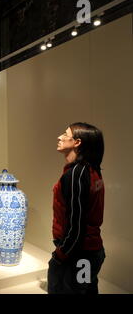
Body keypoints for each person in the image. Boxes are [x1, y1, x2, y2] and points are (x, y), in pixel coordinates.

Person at [48, 122, 106, 294]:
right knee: (86, 289)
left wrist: (60, 255)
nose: (59, 137)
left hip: (78, 254)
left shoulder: (77, 173)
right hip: (88, 252)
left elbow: (77, 222)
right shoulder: (91, 170)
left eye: (65, 134)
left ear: (77, 142)